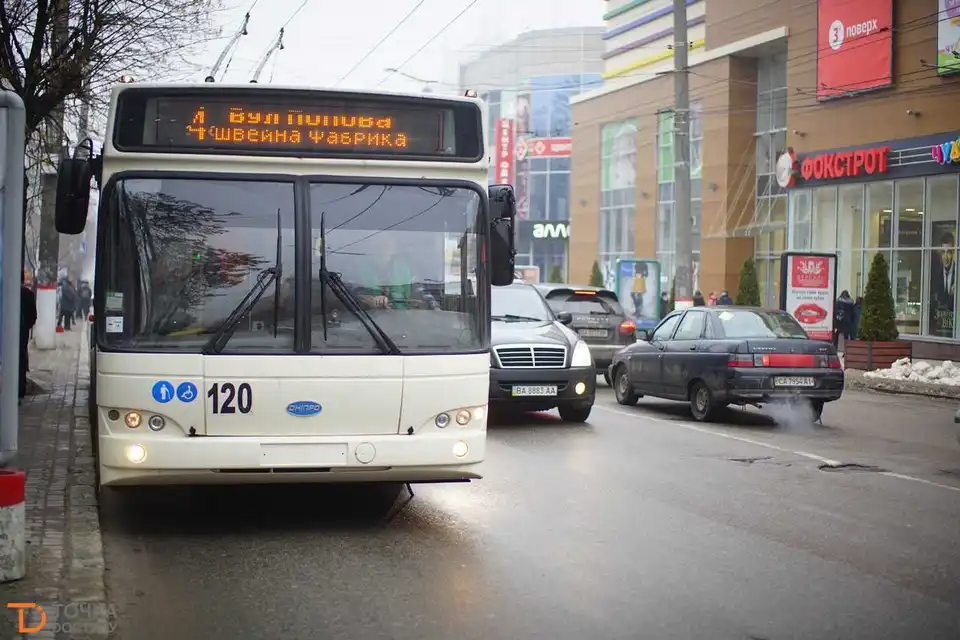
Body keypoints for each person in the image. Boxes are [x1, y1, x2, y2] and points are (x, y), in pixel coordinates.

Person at [353, 234, 438, 311]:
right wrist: (368, 300)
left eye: (386, 243)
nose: (382, 247)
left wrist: (435, 308)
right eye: (378, 243)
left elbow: (422, 294)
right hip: (368, 319)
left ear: (395, 248)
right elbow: (351, 295)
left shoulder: (407, 269)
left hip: (402, 319)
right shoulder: (356, 270)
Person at [20, 282, 37, 402]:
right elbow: (33, 315)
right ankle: (20, 391)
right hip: (22, 333)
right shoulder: (28, 294)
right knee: (20, 360)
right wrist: (26, 327)